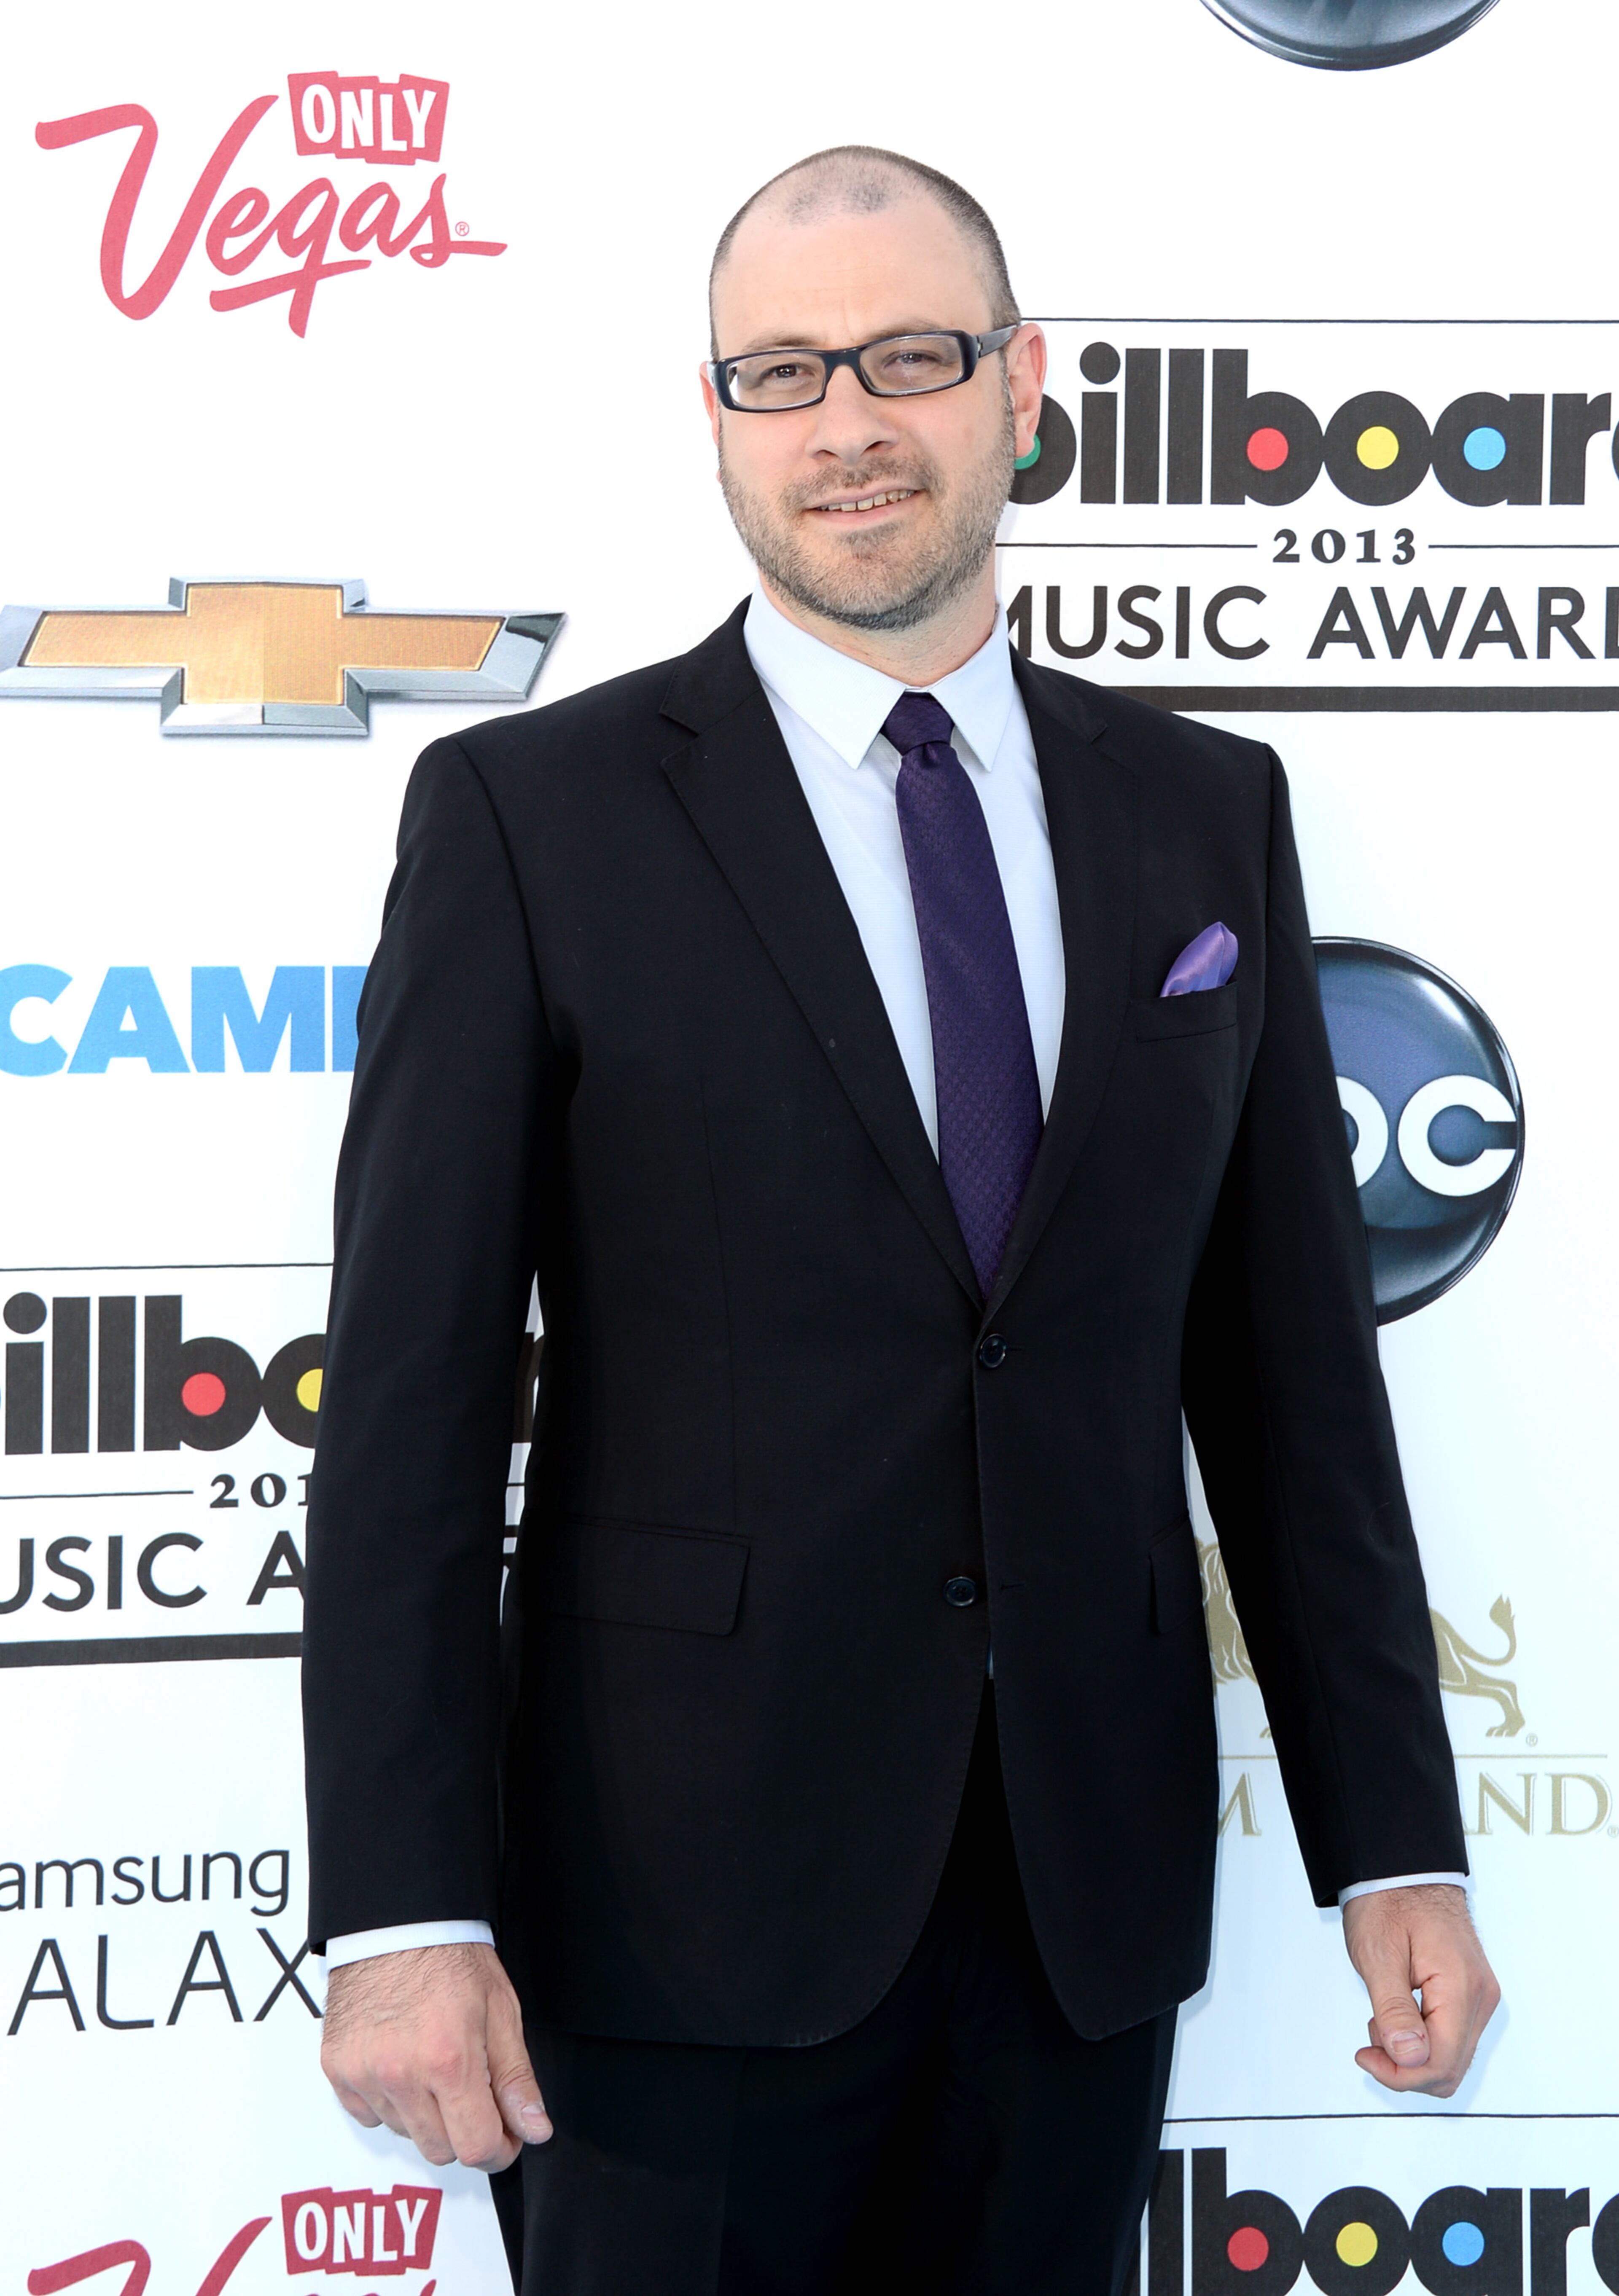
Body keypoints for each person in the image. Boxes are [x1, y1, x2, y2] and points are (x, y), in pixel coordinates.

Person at [302, 146, 1498, 2296]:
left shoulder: (1204, 809)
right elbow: (406, 1406)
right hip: (669, 1918)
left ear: (1021, 386)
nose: (845, 422)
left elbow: (1294, 1386)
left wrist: (1392, 1843)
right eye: (780, 372)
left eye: (908, 359)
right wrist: (405, 1911)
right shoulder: (529, 819)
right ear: (715, 416)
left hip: (1077, 1913)